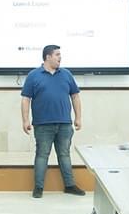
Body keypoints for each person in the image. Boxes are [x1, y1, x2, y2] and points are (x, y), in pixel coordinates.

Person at [22, 45, 85, 199]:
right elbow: (25, 99)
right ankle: (38, 188)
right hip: (42, 125)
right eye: (57, 54)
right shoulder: (33, 75)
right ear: (48, 57)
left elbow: (75, 96)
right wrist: (25, 120)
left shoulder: (66, 74)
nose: (60, 57)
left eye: (60, 54)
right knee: (42, 155)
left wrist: (78, 117)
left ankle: (69, 185)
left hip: (64, 124)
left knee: (64, 154)